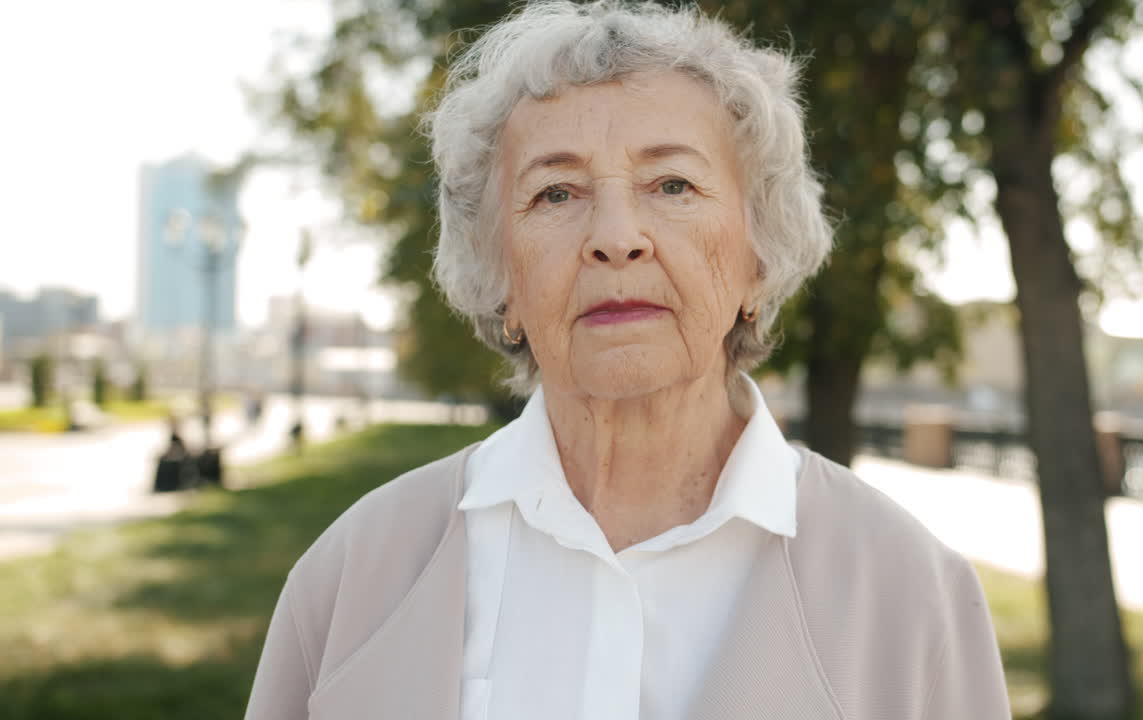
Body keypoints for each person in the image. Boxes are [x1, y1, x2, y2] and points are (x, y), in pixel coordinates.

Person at [245, 3, 1010, 719]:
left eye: (672, 184)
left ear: (759, 256)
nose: (617, 235)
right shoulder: (351, 578)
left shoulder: (915, 595)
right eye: (555, 194)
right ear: (498, 275)